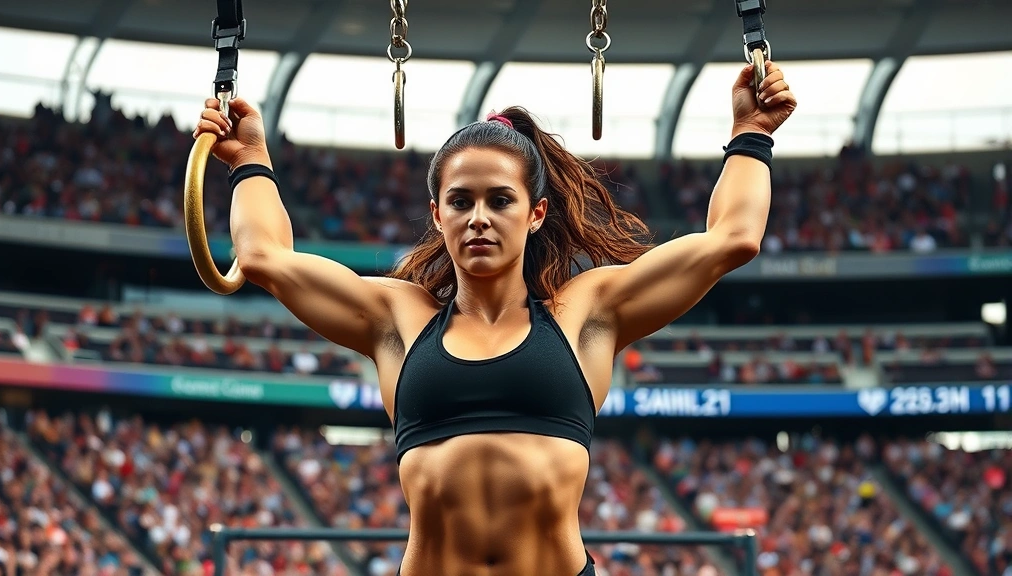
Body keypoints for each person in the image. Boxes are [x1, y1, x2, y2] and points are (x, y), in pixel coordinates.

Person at [193, 61, 796, 576]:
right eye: (461, 201)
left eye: (500, 200)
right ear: (438, 215)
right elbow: (264, 256)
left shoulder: (585, 313)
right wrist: (248, 157)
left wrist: (751, 133)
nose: (479, 217)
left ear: (534, 213)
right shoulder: (396, 320)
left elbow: (733, 238)